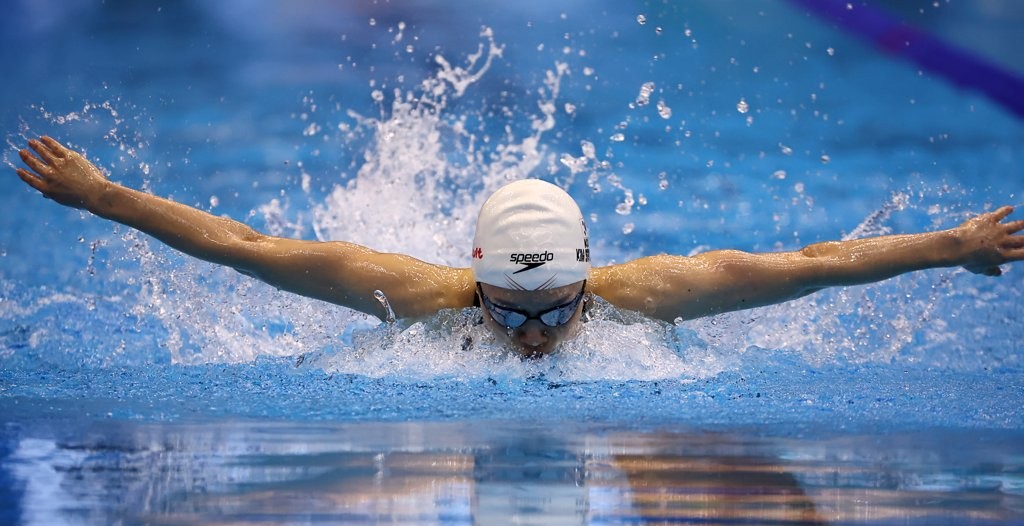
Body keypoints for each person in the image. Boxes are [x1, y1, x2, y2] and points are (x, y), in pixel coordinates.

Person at [15, 135, 1024, 357]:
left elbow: (805, 265)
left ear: (591, 278)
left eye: (556, 309)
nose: (535, 332)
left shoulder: (656, 290)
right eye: (510, 309)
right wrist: (103, 196)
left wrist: (954, 245)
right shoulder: (416, 294)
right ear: (476, 284)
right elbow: (244, 244)